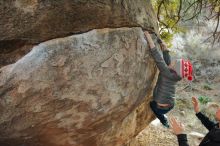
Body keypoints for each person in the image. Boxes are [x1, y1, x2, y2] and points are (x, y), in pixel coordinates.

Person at [144, 31, 193, 128]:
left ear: (175, 69)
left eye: (175, 63)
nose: (172, 62)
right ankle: (163, 118)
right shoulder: (176, 75)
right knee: (157, 102)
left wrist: (148, 37)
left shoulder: (166, 72)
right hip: (171, 104)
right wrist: (164, 47)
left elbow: (157, 57)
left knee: (152, 105)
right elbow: (167, 60)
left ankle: (163, 119)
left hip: (160, 108)